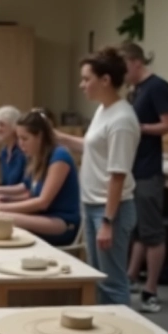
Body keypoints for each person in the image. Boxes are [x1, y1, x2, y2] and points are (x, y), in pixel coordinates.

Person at [54, 47, 140, 305]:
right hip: (92, 205)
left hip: (109, 210)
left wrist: (107, 221)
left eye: (86, 79)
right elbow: (91, 147)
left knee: (113, 283)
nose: (82, 85)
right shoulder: (104, 110)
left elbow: (117, 175)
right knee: (99, 279)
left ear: (105, 80)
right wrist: (58, 137)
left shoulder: (122, 119)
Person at [122, 43, 168, 313]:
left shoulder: (157, 86)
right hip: (133, 168)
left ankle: (151, 290)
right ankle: (131, 277)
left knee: (152, 232)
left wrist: (140, 127)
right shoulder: (136, 90)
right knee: (138, 229)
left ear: (135, 62)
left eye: (124, 67)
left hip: (148, 169)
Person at [0, 110, 81, 246]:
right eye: (18, 138)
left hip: (62, 221)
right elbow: (27, 189)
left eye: (25, 138)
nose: (20, 144)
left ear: (40, 136)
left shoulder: (60, 156)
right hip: (42, 216)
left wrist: (3, 207)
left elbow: (43, 202)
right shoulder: (36, 156)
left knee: (3, 218)